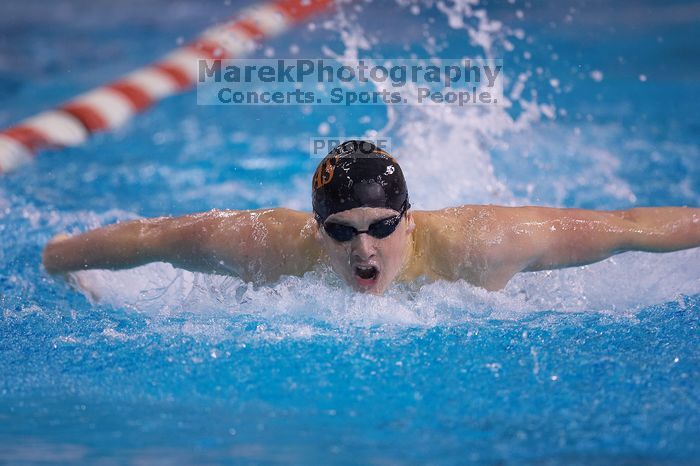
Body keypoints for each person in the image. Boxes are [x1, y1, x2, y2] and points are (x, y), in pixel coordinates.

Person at [42, 140, 700, 295]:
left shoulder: (482, 245)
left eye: (381, 227)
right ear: (316, 228)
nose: (364, 250)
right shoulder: (265, 247)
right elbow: (154, 237)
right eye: (342, 230)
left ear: (407, 221)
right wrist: (54, 258)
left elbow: (627, 226)